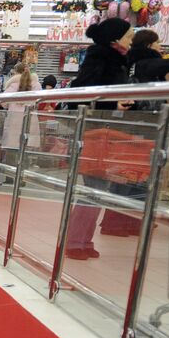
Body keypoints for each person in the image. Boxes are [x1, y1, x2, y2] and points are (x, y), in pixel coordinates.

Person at [63, 18, 136, 260]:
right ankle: (74, 241)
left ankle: (83, 240)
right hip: (94, 131)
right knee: (93, 188)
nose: (131, 39)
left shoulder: (117, 59)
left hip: (107, 130)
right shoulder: (101, 57)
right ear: (115, 37)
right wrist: (111, 103)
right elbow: (80, 93)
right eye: (128, 35)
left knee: (99, 188)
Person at [1, 61, 42, 154]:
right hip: (30, 117)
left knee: (13, 147)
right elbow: (39, 101)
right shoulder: (37, 84)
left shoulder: (13, 84)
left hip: (14, 118)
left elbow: (3, 102)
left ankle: (12, 167)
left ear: (16, 72)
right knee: (28, 145)